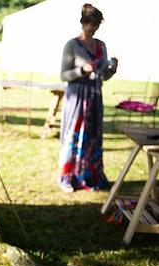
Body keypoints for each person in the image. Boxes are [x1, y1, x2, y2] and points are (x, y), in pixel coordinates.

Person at [58, 3, 118, 192]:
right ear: (83, 23)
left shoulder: (101, 46)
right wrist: (82, 69)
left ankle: (92, 176)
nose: (94, 29)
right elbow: (64, 75)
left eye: (97, 25)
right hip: (77, 99)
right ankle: (68, 177)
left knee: (93, 138)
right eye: (91, 24)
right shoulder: (72, 45)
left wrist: (111, 70)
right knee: (73, 138)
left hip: (95, 98)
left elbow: (103, 76)